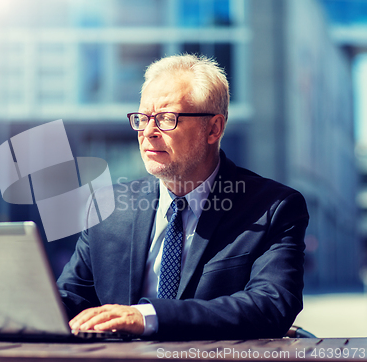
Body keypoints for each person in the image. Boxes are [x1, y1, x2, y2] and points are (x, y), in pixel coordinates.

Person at [57, 54, 309, 340]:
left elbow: (270, 306)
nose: (149, 132)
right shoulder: (108, 207)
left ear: (213, 128)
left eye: (166, 119)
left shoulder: (273, 208)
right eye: (142, 118)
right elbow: (69, 299)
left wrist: (147, 317)